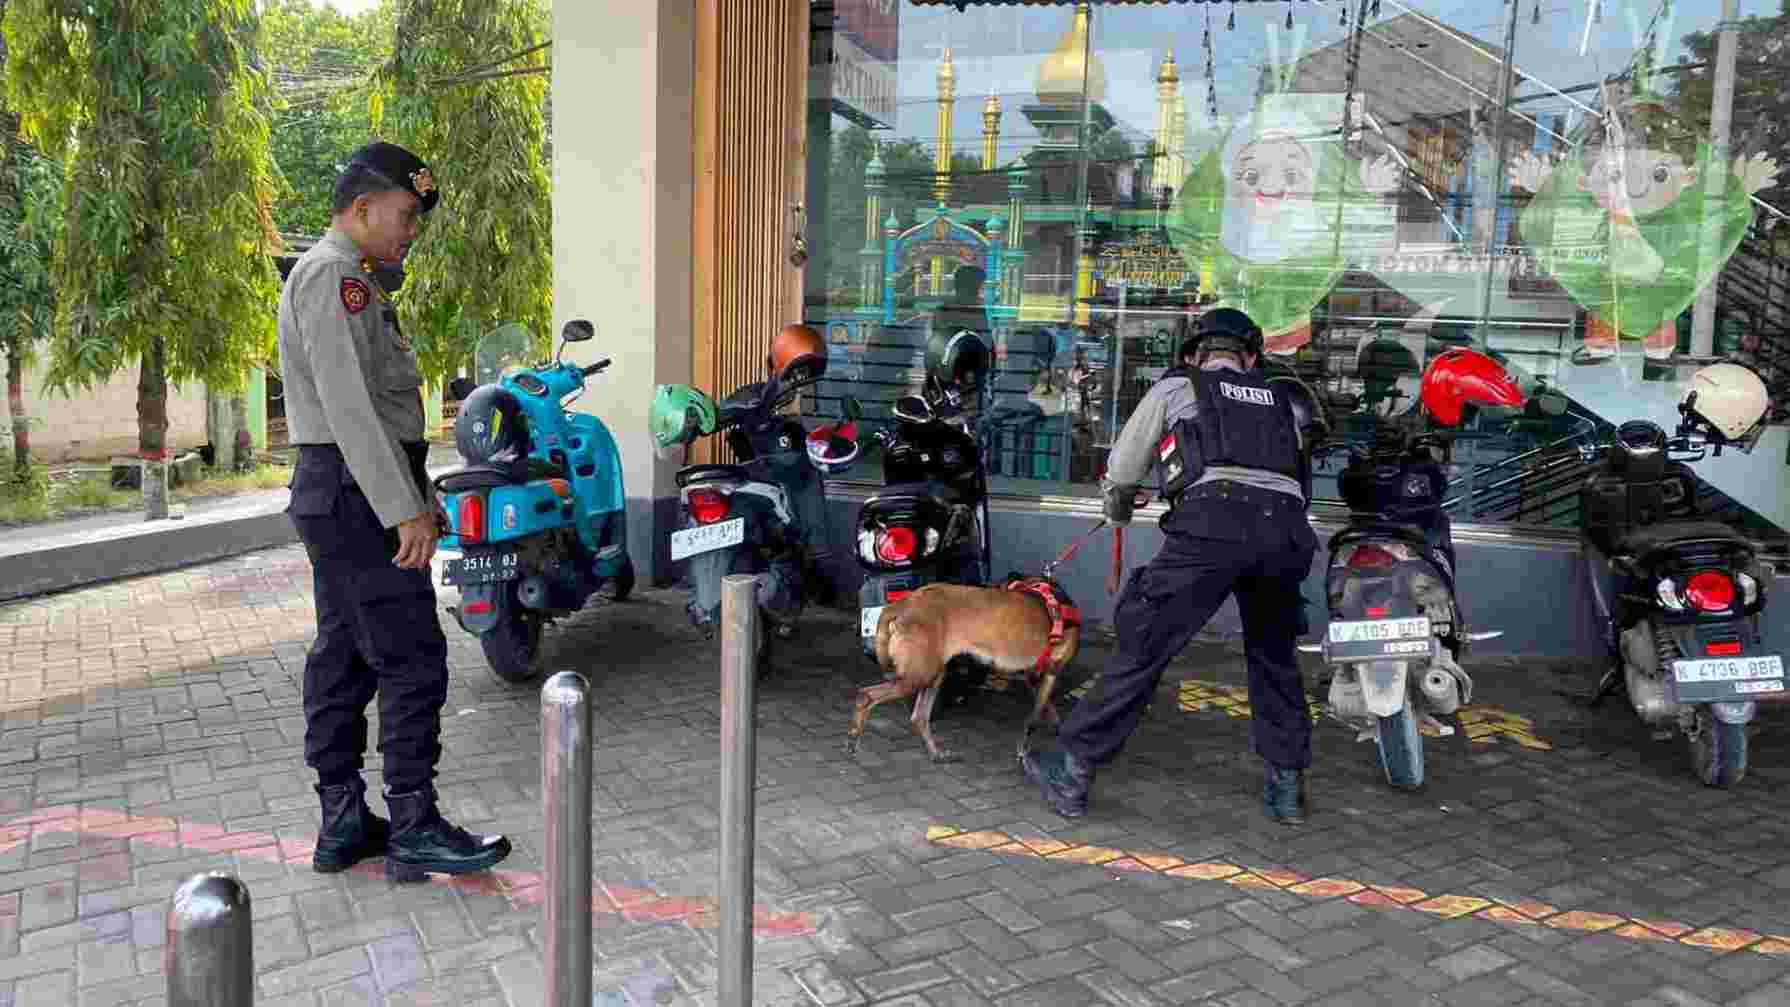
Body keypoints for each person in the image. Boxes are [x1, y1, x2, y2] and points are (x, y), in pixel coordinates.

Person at [279, 141, 511, 882]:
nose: (411, 228)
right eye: (405, 214)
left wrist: (417, 491)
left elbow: (381, 412)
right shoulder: (332, 278)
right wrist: (399, 510)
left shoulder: (359, 284)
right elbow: (350, 411)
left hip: (352, 490)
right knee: (412, 657)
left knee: (345, 655)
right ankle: (413, 822)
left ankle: (345, 821)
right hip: (354, 492)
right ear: (362, 208)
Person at [1022, 307, 1322, 825]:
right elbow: (1296, 481)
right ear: (1251, 357)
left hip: (1212, 525)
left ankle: (1072, 773)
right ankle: (1287, 790)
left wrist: (1116, 514)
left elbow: (1122, 469)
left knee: (1144, 648)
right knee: (1274, 660)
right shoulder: (1280, 399)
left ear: (1193, 354)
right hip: (1286, 532)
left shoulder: (1178, 387)